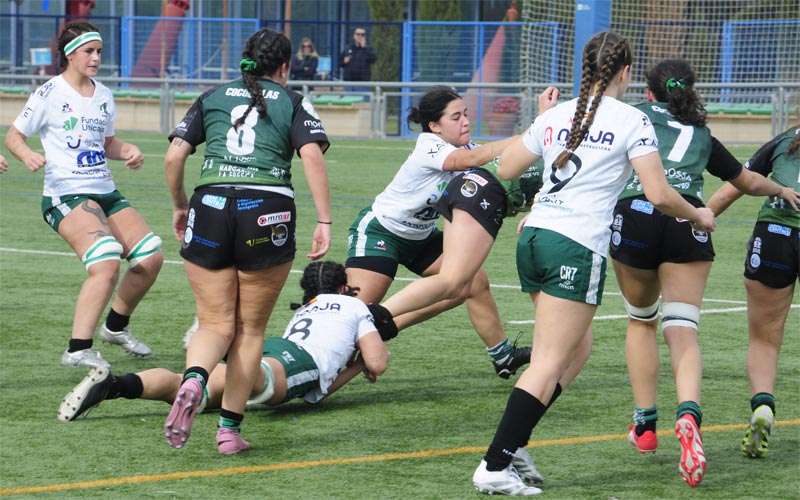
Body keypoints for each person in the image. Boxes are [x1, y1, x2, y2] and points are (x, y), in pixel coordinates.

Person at [470, 32, 717, 496]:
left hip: (536, 237)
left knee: (575, 349)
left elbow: (505, 169)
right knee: (547, 361)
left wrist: (544, 126)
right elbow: (660, 194)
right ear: (625, 72)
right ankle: (495, 463)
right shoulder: (632, 119)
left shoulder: (560, 113)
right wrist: (698, 213)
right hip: (574, 245)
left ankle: (516, 442)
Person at [610, 61, 800, 485]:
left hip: (639, 213)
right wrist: (781, 189)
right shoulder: (701, 132)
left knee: (641, 322)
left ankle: (644, 426)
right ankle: (689, 416)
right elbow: (746, 180)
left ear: (649, 89)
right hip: (688, 221)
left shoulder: (633, 115)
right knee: (683, 329)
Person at [163, 27, 332, 455]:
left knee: (214, 322)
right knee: (250, 328)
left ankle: (195, 379)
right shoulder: (293, 101)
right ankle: (228, 431)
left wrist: (181, 203)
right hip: (266, 210)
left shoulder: (213, 95)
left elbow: (174, 154)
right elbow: (311, 153)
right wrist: (325, 219)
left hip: (212, 204)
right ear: (285, 65)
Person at [57, 262, 393, 441]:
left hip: (277, 346)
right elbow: (376, 362)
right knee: (257, 380)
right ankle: (220, 341)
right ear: (343, 287)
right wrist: (360, 363)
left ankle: (115, 385)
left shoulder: (306, 308)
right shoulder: (354, 306)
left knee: (184, 386)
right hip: (293, 362)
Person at [4, 22, 163, 369]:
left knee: (150, 256)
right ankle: (77, 349)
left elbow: (107, 145)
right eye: (89, 52)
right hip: (65, 195)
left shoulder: (104, 94)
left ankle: (116, 327)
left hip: (104, 189)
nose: (96, 58)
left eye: (99, 52)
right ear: (70, 54)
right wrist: (27, 155)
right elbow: (14, 136)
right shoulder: (49, 93)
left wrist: (129, 150)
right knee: (106, 260)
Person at [345, 86, 530, 379]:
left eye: (466, 114)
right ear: (434, 126)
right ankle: (317, 368)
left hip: (420, 236)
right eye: (456, 117)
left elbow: (497, 161)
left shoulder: (468, 148)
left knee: (473, 281)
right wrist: (527, 137)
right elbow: (467, 161)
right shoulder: (428, 144)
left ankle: (503, 355)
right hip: (383, 230)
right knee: (355, 315)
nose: (466, 121)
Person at [707, 126, 800, 460]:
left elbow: (739, 182)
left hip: (773, 234)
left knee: (764, 338)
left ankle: (763, 405)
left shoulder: (787, 138)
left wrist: (702, 216)